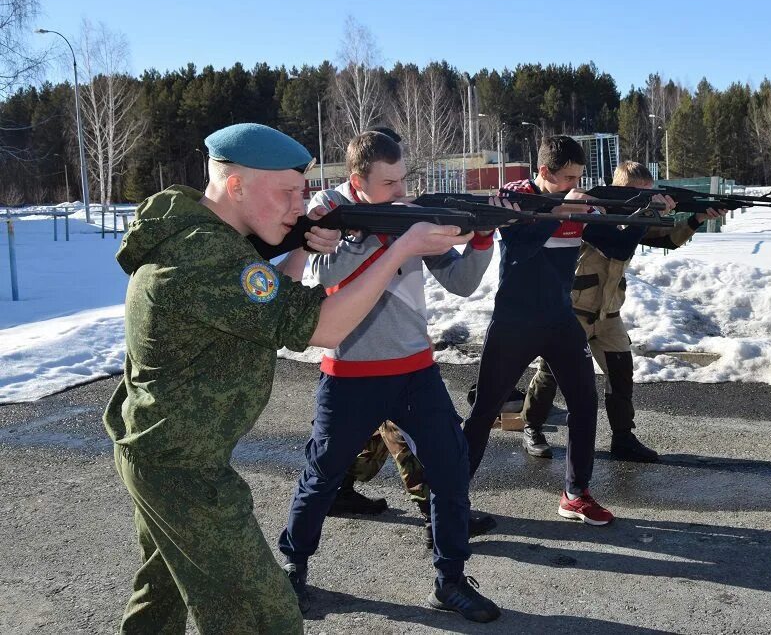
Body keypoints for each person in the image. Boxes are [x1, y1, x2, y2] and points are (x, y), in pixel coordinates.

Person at [103, 123, 473, 634]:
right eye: (287, 194)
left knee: (160, 595)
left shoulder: (207, 241)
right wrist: (399, 250)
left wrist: (301, 247)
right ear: (236, 186)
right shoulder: (204, 258)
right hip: (183, 468)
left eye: (302, 193)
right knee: (264, 618)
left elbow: (274, 299)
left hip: (164, 452)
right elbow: (321, 326)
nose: (300, 207)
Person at [278, 130, 503, 623]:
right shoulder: (327, 214)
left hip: (414, 370)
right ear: (358, 180)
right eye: (389, 183)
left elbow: (463, 283)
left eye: (404, 180)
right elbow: (332, 277)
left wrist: (482, 237)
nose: (401, 192)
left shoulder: (409, 216)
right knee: (322, 476)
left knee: (449, 467)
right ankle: (292, 567)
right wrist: (401, 241)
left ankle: (450, 579)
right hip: (350, 372)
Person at [463, 135, 643, 527]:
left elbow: (616, 243)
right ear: (544, 172)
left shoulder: (574, 201)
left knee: (584, 402)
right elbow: (519, 243)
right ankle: (450, 498)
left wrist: (656, 211)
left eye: (579, 177)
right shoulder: (516, 196)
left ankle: (575, 493)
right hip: (515, 321)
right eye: (566, 178)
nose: (574, 184)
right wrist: (562, 210)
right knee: (484, 412)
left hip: (561, 321)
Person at [519, 161, 723, 463]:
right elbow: (618, 246)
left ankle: (623, 438)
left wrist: (696, 218)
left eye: (650, 194)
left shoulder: (633, 218)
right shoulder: (590, 212)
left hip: (608, 313)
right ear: (620, 191)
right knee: (551, 373)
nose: (649, 200)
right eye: (641, 195)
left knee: (621, 375)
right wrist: (648, 213)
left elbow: (664, 238)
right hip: (573, 310)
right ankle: (532, 427)